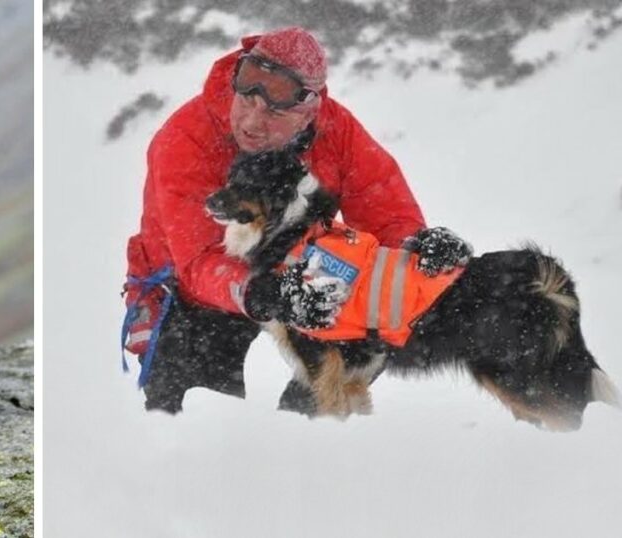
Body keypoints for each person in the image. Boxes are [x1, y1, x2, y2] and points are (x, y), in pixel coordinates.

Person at [122, 27, 471, 412]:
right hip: (194, 300)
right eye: (246, 100)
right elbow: (199, 260)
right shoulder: (186, 138)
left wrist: (418, 252)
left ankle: (314, 448)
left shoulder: (337, 132)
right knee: (195, 416)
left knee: (317, 401)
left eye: (273, 111)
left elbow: (389, 218)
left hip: (306, 286)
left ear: (309, 110)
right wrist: (261, 292)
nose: (252, 122)